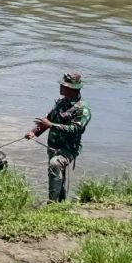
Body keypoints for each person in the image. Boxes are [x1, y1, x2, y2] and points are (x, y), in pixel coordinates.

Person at [26, 72, 92, 202]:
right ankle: (61, 203)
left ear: (74, 89)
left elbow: (76, 129)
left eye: (65, 86)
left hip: (69, 148)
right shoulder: (62, 102)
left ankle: (52, 204)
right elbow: (48, 119)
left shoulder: (82, 109)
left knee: (55, 165)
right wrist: (34, 132)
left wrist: (51, 125)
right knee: (56, 174)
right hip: (53, 146)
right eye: (62, 85)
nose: (61, 87)